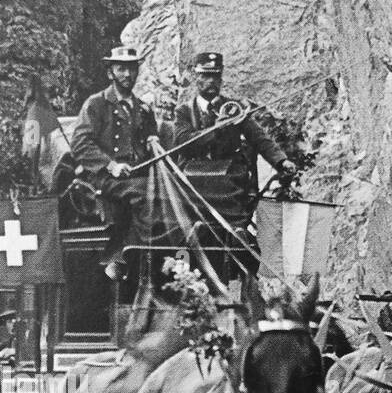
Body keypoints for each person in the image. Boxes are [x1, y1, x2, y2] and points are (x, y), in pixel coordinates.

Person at [173, 51, 297, 242]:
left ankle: (236, 233)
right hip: (195, 176)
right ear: (195, 77)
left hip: (228, 174)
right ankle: (198, 233)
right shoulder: (184, 112)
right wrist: (216, 129)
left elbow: (259, 137)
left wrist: (281, 161)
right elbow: (183, 142)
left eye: (215, 76)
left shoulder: (233, 108)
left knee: (235, 185)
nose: (211, 81)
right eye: (205, 76)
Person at [71, 45, 160, 279]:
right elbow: (80, 144)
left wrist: (153, 140)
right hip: (105, 177)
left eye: (132, 69)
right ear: (110, 72)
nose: (127, 75)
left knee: (165, 193)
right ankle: (131, 258)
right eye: (121, 69)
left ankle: (159, 258)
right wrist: (111, 165)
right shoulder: (96, 104)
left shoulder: (143, 108)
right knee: (144, 195)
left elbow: (150, 136)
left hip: (138, 173)